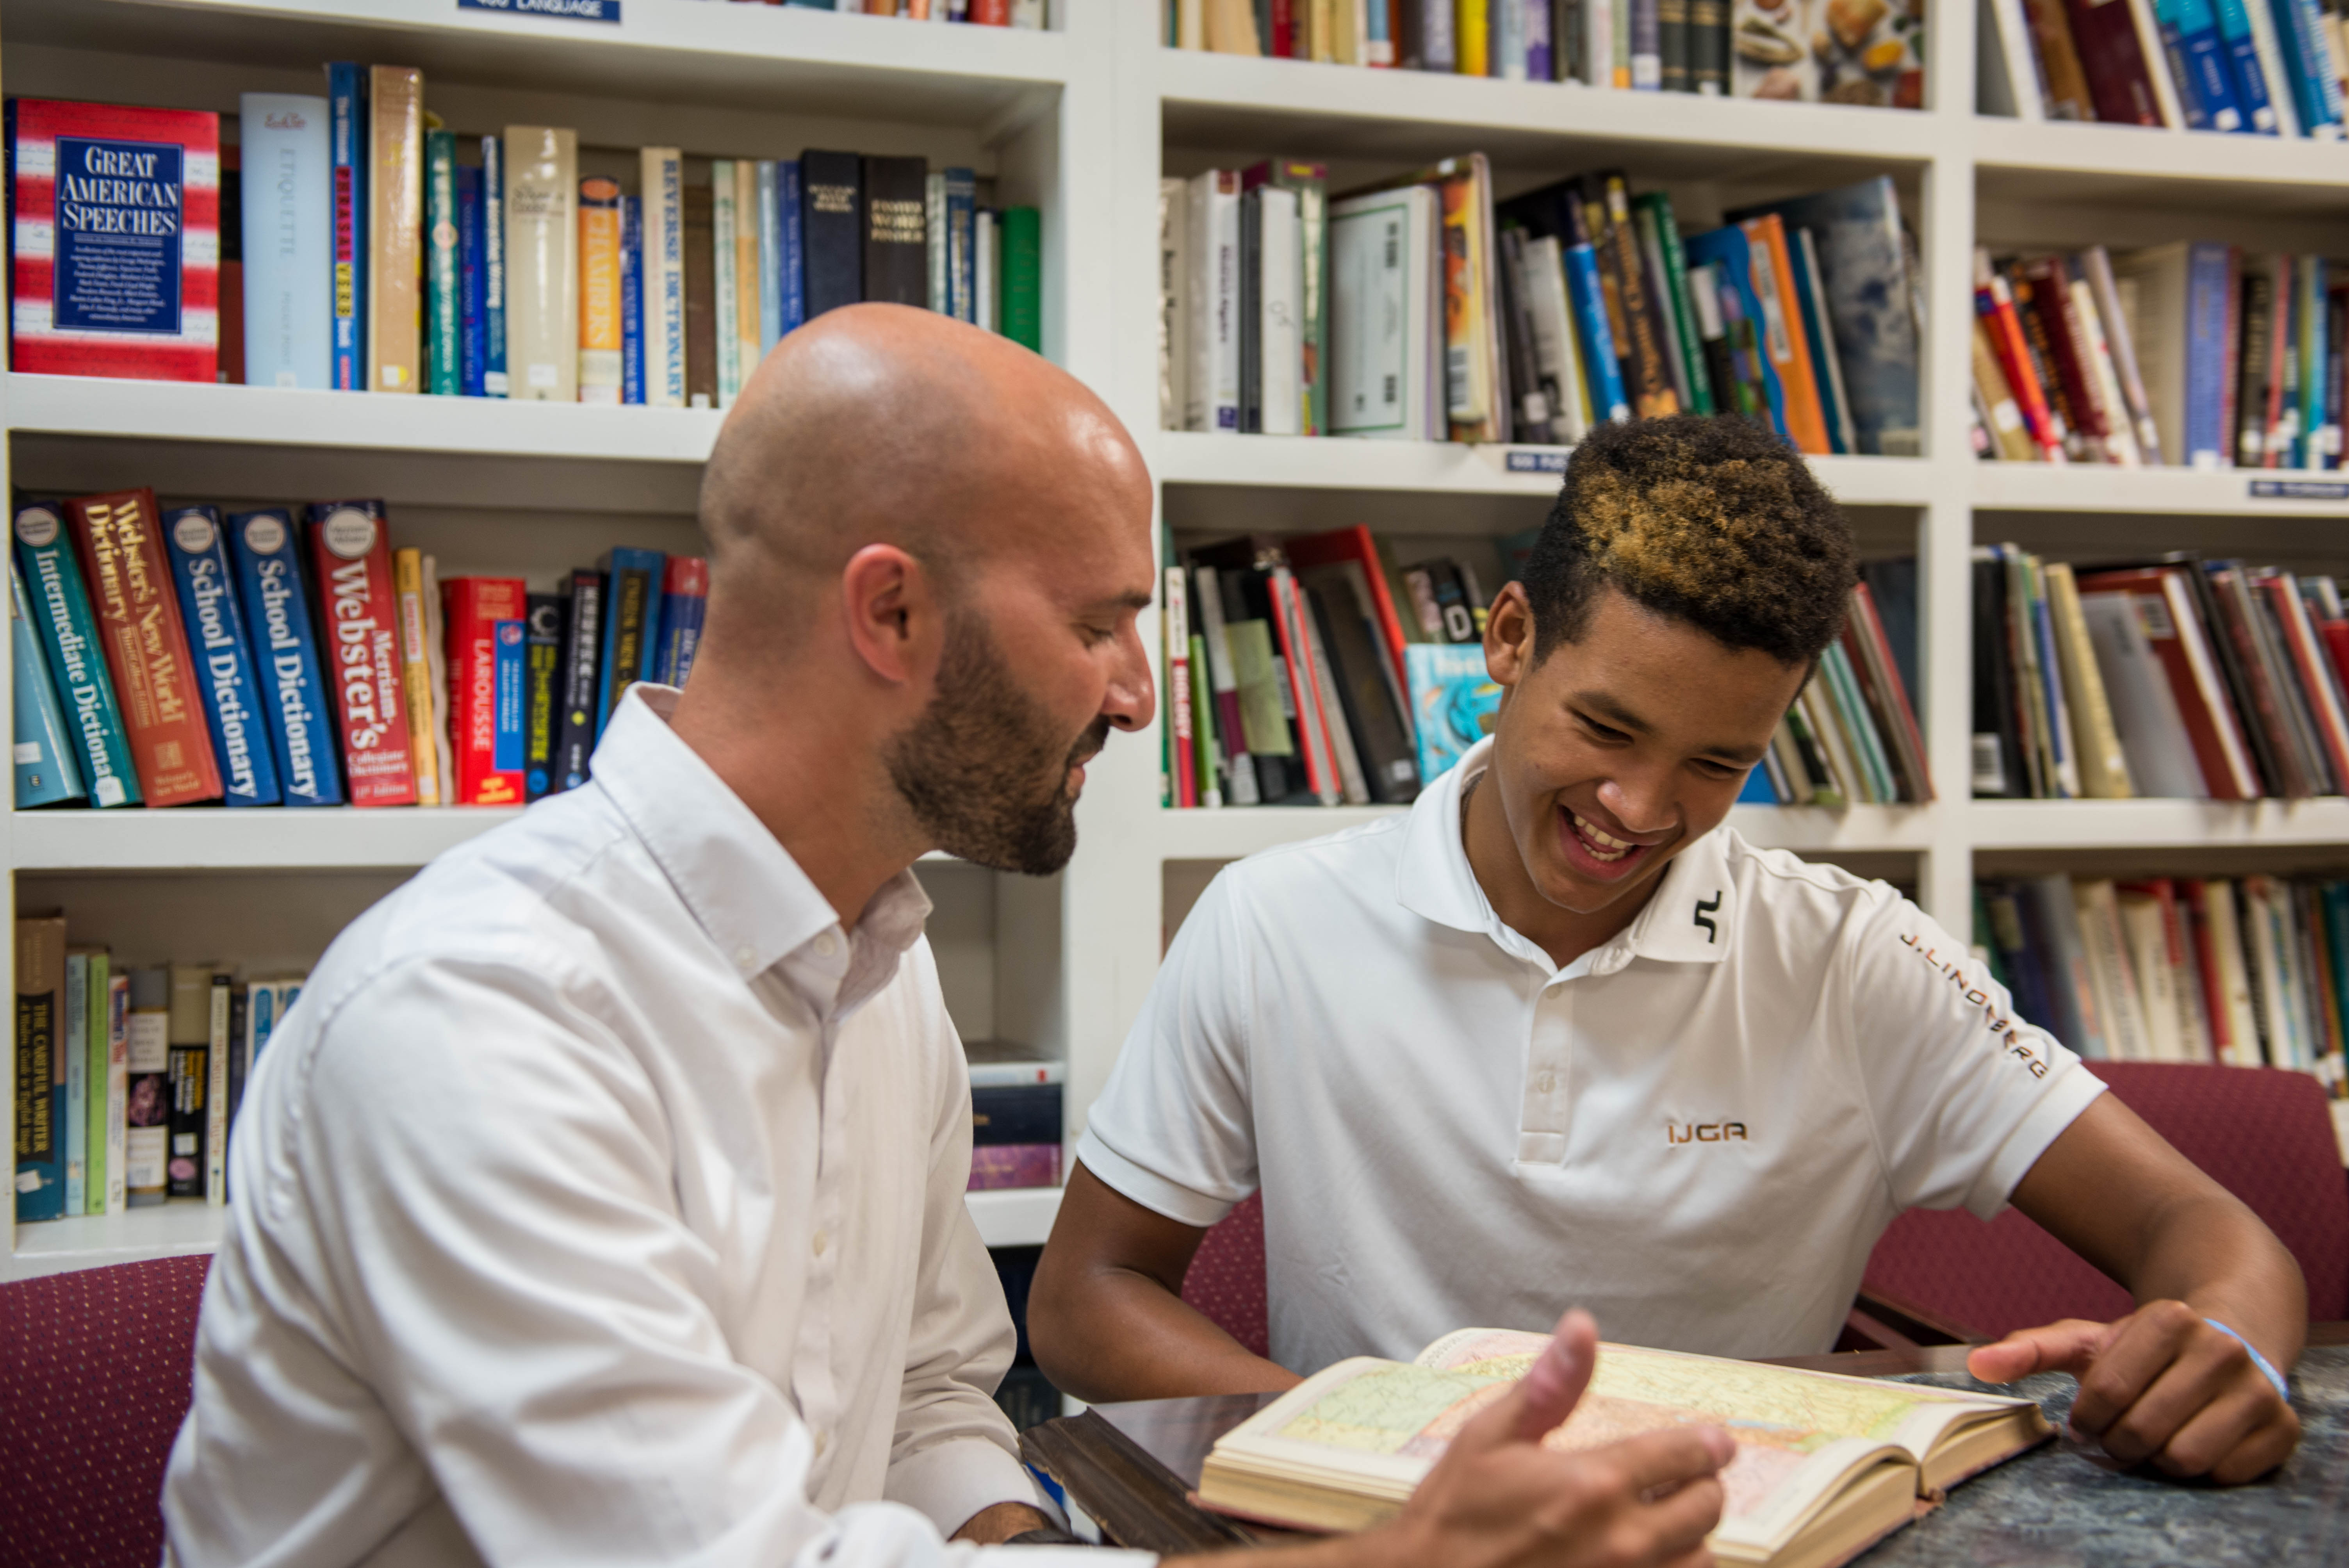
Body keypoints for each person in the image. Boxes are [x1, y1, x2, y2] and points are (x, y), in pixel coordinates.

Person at [162, 308, 1738, 1568]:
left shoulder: (877, 960)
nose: (1139, 694)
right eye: (1099, 622)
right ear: (893, 613)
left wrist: (1006, 1532)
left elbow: (927, 1395)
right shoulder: (478, 1013)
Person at [1031, 414, 2306, 1488]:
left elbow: (2206, 1229)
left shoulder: (1856, 959)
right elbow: (1088, 1296)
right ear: (1512, 639)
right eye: (1606, 729)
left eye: (1717, 764)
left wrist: (2229, 1347)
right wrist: (1381, 1457)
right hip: (1392, 1541)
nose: (1639, 811)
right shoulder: (1272, 920)